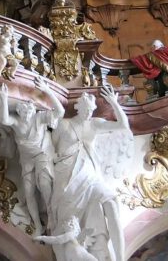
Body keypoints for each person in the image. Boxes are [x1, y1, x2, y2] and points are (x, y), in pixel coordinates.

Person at [50, 86, 129, 261]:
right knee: (68, 220)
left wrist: (114, 103)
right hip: (68, 175)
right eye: (86, 110)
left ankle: (121, 258)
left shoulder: (94, 123)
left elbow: (123, 125)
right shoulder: (64, 125)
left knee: (111, 204)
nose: (88, 113)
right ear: (78, 108)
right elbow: (52, 151)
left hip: (91, 175)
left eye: (91, 110)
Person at [0, 78, 63, 233]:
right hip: (27, 159)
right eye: (24, 111)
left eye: (29, 111)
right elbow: (4, 119)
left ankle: (52, 216)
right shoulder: (17, 122)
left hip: (42, 155)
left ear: (33, 111)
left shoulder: (39, 118)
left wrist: (47, 90)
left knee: (45, 185)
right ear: (19, 112)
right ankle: (38, 225)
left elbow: (60, 112)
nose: (27, 114)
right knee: (28, 190)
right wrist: (4, 99)